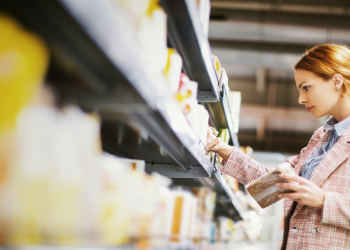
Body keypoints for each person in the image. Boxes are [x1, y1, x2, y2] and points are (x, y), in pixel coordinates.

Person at [207, 44, 350, 250]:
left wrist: (324, 200)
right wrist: (224, 149)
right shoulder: (321, 138)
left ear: (336, 81)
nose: (301, 99)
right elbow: (275, 182)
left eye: (306, 87)